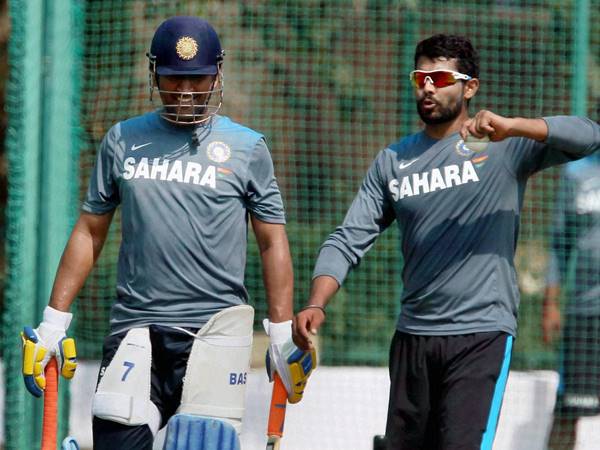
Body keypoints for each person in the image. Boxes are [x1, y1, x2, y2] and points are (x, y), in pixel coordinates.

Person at [20, 16, 315, 450]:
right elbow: (90, 231)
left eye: (198, 78)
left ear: (217, 74)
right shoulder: (123, 139)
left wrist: (281, 330)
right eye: (175, 78)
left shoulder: (248, 147)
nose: (186, 90)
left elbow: (272, 241)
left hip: (214, 332)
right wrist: (53, 322)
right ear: (154, 73)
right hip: (135, 327)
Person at [294, 33, 600, 450]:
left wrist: (514, 126)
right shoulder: (394, 161)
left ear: (469, 87)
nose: (427, 87)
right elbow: (348, 238)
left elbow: (589, 135)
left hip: (481, 334)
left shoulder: (502, 146)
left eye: (439, 78)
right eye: (420, 78)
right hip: (413, 335)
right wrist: (316, 302)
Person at [541, 151, 600, 449]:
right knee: (569, 407)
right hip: (584, 312)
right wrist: (551, 304)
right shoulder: (575, 172)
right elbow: (558, 243)